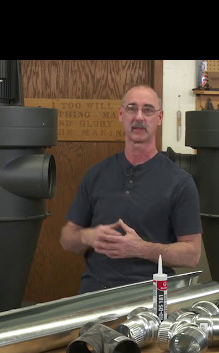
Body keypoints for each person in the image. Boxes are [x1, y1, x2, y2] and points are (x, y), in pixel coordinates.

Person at [60, 85, 202, 293]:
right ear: (121, 114)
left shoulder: (180, 182)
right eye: (131, 108)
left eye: (148, 110)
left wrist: (141, 249)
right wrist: (87, 237)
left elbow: (192, 254)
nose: (139, 117)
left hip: (150, 296)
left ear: (160, 117)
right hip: (95, 294)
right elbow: (66, 238)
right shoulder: (96, 174)